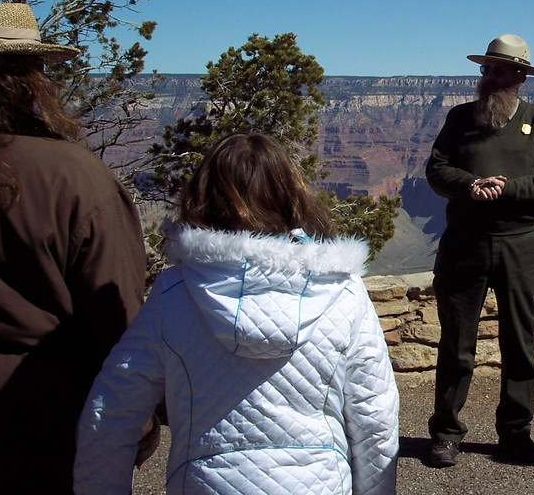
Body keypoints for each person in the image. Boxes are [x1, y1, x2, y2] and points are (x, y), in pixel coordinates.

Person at [75, 133, 399, 495]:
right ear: (291, 194)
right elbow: (375, 419)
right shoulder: (344, 293)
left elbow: (112, 411)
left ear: (204, 195)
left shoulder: (174, 292)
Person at [0, 2, 146, 494]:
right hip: (41, 423)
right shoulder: (76, 177)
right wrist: (137, 422)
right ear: (33, 78)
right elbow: (116, 315)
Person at [425, 34, 534, 467]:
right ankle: (447, 433)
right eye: (485, 69)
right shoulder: (459, 118)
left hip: (520, 245)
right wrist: (470, 185)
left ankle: (515, 434)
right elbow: (436, 170)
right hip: (463, 245)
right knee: (456, 344)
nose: (488, 77)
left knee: (519, 342)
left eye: (499, 70)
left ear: (520, 76)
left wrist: (508, 189)